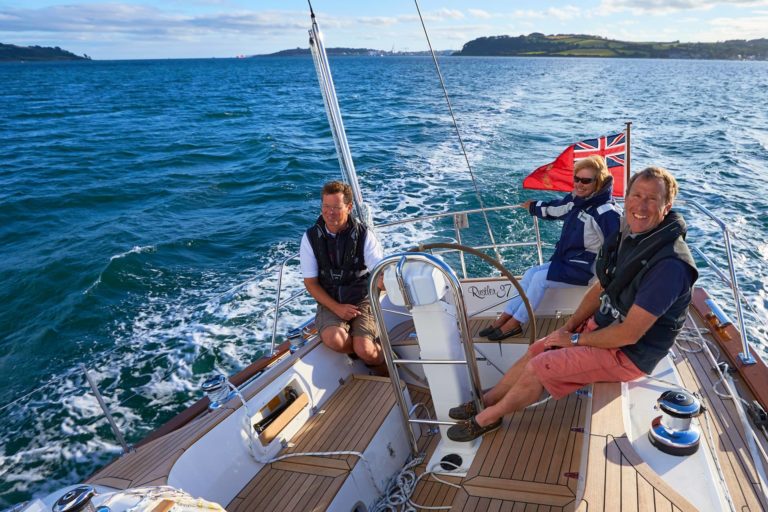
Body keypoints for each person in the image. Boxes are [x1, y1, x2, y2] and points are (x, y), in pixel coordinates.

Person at [448, 166, 698, 442]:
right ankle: (489, 398)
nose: (641, 205)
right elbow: (600, 286)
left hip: (629, 354)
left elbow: (630, 334)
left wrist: (575, 340)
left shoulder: (670, 265)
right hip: (603, 330)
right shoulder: (632, 236)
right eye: (636, 195)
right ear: (625, 198)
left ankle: (488, 419)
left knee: (539, 366)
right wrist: (567, 329)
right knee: (539, 348)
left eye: (652, 199)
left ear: (667, 207)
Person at [480, 155, 621, 341]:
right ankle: (504, 317)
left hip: (589, 269)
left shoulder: (606, 212)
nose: (579, 184)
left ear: (598, 182)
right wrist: (534, 207)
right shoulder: (578, 200)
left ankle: (515, 324)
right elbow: (556, 209)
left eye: (586, 180)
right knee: (531, 273)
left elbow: (617, 246)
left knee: (539, 278)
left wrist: (612, 278)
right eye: (576, 179)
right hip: (571, 262)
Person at [300, 181, 385, 368]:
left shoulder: (364, 236)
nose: (330, 213)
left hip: (363, 298)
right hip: (330, 301)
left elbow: (379, 271)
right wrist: (336, 308)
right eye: (326, 207)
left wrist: (384, 282)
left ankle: (384, 363)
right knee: (334, 339)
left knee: (365, 349)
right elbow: (311, 283)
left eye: (336, 208)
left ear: (349, 207)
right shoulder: (310, 238)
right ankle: (361, 349)